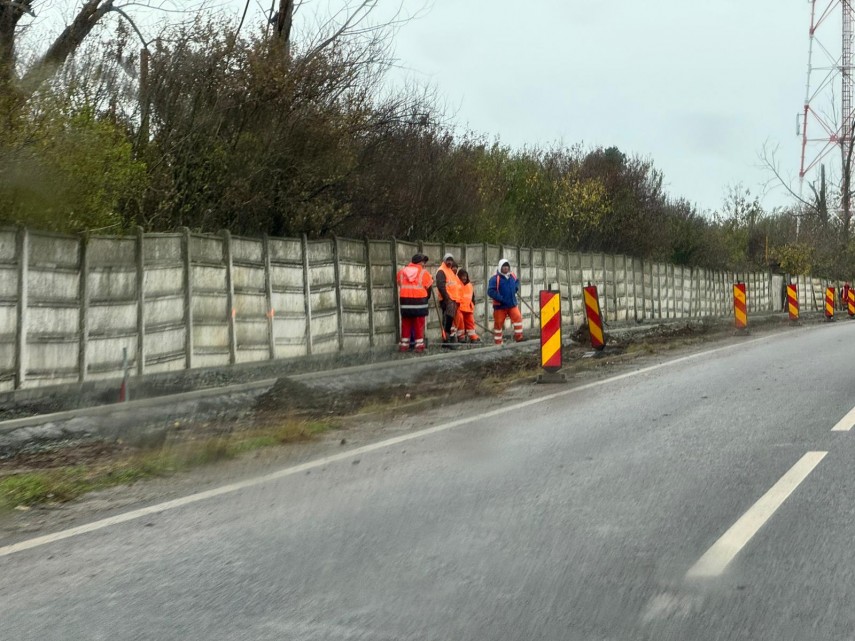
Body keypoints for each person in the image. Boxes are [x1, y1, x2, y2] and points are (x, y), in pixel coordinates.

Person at [396, 253, 433, 352]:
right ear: (419, 262)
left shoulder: (401, 272)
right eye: (423, 262)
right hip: (419, 302)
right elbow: (429, 287)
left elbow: (399, 283)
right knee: (419, 323)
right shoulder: (424, 273)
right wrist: (427, 297)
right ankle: (419, 346)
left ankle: (404, 345)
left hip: (405, 302)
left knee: (406, 323)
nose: (424, 264)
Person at [487, 258, 524, 344]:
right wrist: (500, 299)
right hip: (500, 306)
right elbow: (490, 291)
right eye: (504, 266)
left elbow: (517, 282)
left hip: (512, 304)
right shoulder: (494, 279)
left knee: (518, 318)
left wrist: (515, 288)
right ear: (500, 267)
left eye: (507, 266)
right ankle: (498, 342)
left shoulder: (512, 276)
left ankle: (519, 338)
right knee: (498, 324)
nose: (506, 268)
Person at [434, 252, 463, 346]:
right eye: (448, 260)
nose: (450, 261)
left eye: (451, 260)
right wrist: (447, 299)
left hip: (453, 300)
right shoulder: (441, 271)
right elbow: (440, 286)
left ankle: (448, 339)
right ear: (444, 260)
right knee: (447, 320)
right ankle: (446, 340)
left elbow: (454, 286)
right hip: (447, 300)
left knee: (450, 320)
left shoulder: (450, 271)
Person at [454, 269, 480, 343]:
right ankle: (461, 337)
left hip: (468, 308)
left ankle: (472, 336)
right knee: (460, 320)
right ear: (459, 276)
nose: (464, 278)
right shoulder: (456, 285)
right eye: (462, 276)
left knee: (470, 321)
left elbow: (473, 297)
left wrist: (472, 304)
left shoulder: (470, 285)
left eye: (465, 276)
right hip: (459, 307)